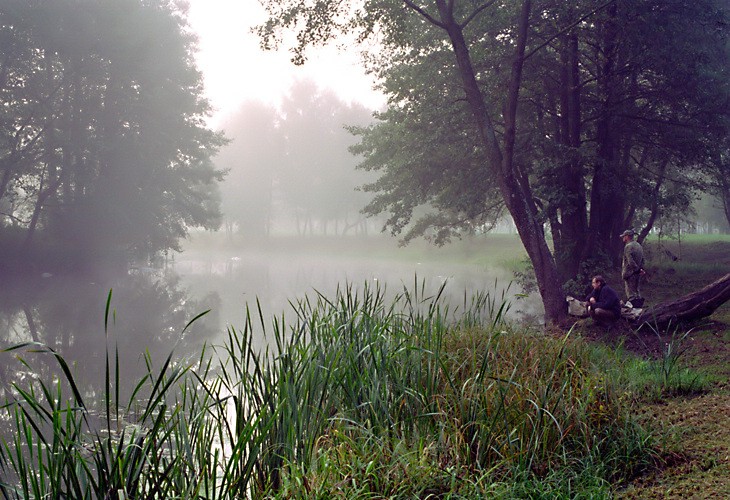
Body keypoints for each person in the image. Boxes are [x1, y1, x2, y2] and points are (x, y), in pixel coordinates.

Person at [620, 229, 645, 305]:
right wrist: (641, 269)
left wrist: (636, 270)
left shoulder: (628, 246)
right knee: (637, 292)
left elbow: (630, 261)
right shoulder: (639, 245)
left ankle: (634, 312)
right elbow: (643, 260)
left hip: (630, 273)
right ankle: (639, 309)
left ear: (627, 236)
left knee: (631, 295)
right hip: (637, 273)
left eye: (624, 236)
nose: (623, 238)